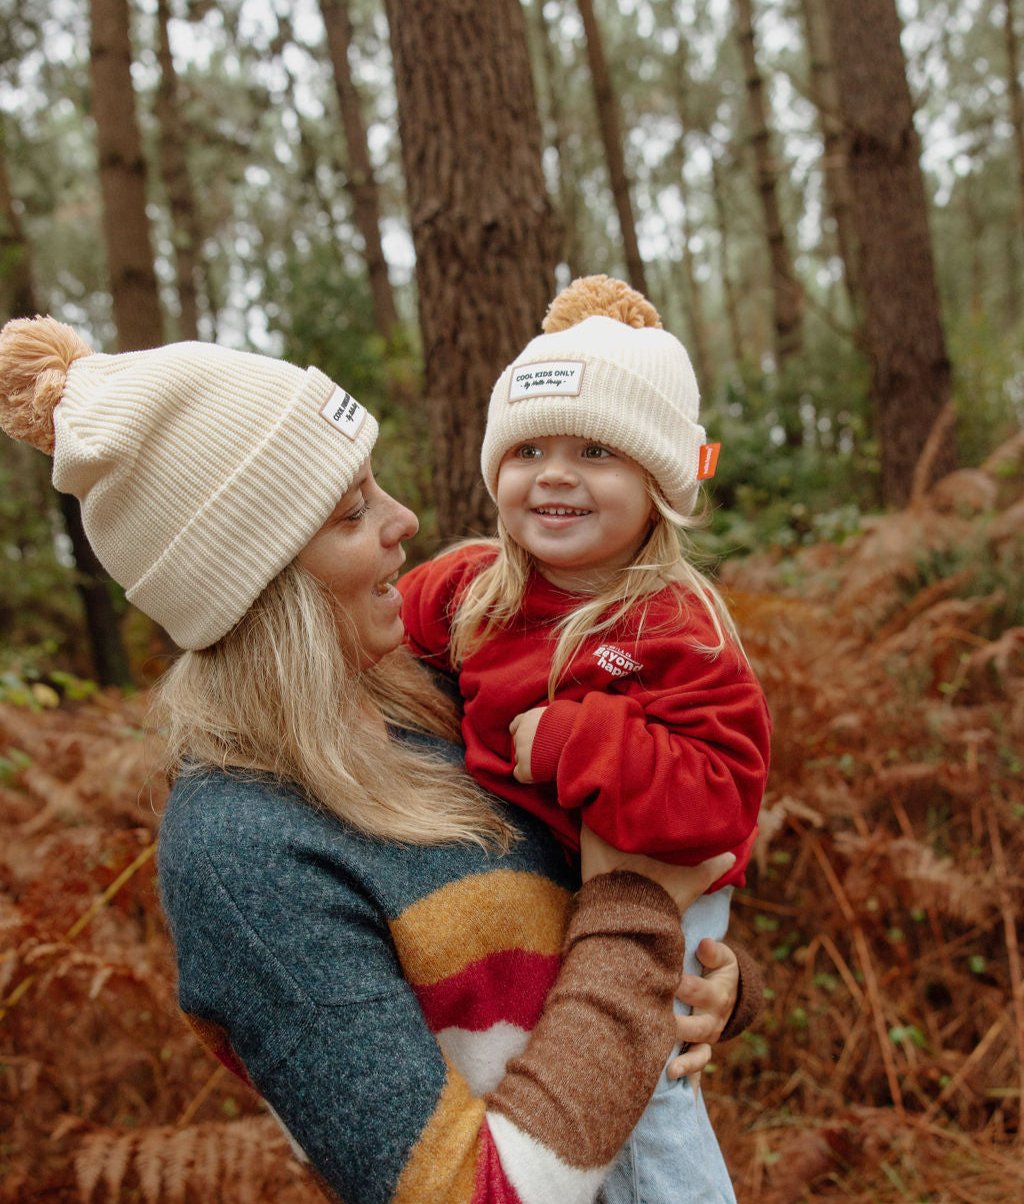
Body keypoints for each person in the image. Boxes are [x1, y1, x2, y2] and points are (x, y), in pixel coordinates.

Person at [0, 314, 763, 1204]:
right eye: (353, 511)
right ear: (263, 580)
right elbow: (465, 1193)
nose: (405, 520)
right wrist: (638, 919)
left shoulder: (437, 695)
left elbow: (588, 905)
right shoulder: (246, 855)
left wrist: (709, 986)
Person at [399, 276, 772, 1202]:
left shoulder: (676, 627)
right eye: (528, 448)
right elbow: (358, 646)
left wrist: (576, 739)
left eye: (596, 450)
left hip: (661, 895)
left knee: (641, 1111)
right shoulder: (470, 590)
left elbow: (721, 798)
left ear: (661, 483)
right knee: (552, 1125)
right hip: (554, 904)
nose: (554, 473)